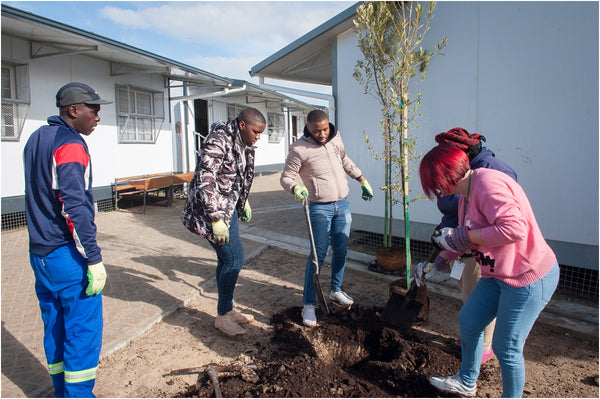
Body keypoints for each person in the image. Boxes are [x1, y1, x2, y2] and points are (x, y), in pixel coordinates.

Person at [415, 144, 559, 397]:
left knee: (507, 347)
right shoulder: (466, 194)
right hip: (498, 275)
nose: (436, 191)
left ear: (446, 175)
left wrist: (463, 235)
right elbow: (463, 238)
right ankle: (467, 381)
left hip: (526, 277)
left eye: (434, 183)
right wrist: (438, 262)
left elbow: (514, 229)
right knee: (469, 320)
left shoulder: (487, 185)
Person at [23, 82, 111, 397]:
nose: (98, 116)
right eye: (94, 109)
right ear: (73, 110)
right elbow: (74, 206)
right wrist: (94, 258)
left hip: (40, 254)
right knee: (83, 330)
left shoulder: (37, 138)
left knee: (56, 328)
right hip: (65, 255)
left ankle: (61, 392)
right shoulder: (70, 144)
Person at [418, 127, 518, 365]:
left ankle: (483, 347)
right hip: (465, 244)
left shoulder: (488, 175)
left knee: (478, 297)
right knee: (467, 292)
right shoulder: (464, 187)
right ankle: (472, 336)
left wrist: (463, 237)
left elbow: (507, 227)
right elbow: (456, 216)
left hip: (483, 249)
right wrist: (440, 257)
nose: (441, 189)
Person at [280, 109, 374, 327]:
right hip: (319, 209)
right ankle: (309, 304)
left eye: (325, 129)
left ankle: (336, 290)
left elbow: (345, 160)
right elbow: (286, 177)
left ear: (329, 125)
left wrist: (362, 179)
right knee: (317, 255)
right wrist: (295, 187)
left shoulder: (335, 138)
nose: (322, 134)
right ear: (309, 128)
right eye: (317, 131)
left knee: (341, 249)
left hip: (343, 204)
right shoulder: (299, 149)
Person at [182, 107, 266, 337]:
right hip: (212, 212)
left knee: (226, 259)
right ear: (241, 125)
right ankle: (222, 316)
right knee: (234, 259)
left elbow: (239, 175)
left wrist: (243, 200)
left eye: (261, 133)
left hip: (229, 210)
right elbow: (205, 176)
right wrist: (215, 217)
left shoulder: (244, 143)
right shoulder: (218, 140)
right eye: (256, 131)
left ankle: (227, 310)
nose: (258, 136)